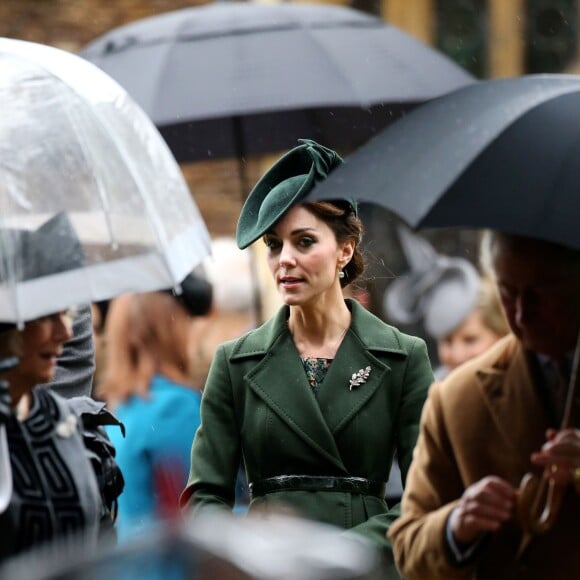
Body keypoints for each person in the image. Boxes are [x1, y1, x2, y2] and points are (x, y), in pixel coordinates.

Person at [180, 139, 434, 575]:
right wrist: (250, 553)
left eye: (304, 241)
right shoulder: (235, 362)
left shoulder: (403, 357)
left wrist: (337, 556)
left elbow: (425, 495)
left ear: (345, 250)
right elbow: (204, 499)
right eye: (275, 245)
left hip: (364, 568)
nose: (285, 260)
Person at [388, 231, 580, 579]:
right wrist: (455, 527)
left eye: (540, 293)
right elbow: (408, 547)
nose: (522, 314)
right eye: (509, 292)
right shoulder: (456, 399)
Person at [97, 273, 213, 539]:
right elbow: (200, 506)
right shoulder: (174, 406)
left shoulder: (123, 407)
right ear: (167, 329)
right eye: (185, 318)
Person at [384, 226, 509, 380]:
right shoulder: (431, 395)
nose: (457, 355)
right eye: (447, 341)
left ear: (502, 336)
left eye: (470, 340)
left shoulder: (527, 390)